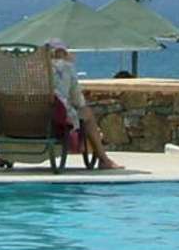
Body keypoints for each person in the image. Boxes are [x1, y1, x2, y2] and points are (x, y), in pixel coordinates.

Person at [46, 39, 123, 170]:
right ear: (63, 53)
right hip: (56, 119)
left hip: (28, 118)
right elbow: (78, 100)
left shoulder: (32, 69)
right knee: (87, 113)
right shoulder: (66, 68)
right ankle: (103, 159)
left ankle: (4, 156)